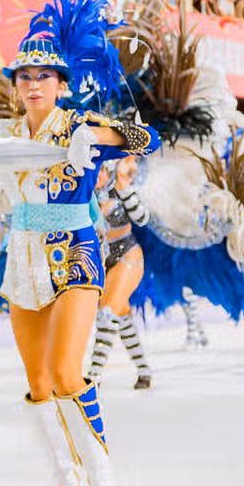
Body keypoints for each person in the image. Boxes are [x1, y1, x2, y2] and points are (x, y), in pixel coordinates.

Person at [0, 0, 157, 486]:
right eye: (25, 75)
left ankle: (105, 484)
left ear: (62, 85)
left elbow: (148, 138)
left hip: (76, 255)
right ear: (15, 85)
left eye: (45, 75)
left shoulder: (79, 126)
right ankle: (67, 481)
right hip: (22, 261)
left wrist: (105, 134)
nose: (34, 83)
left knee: (69, 374)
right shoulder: (5, 133)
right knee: (40, 384)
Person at [86, 156, 151, 390]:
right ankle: (143, 369)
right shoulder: (84, 193)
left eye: (101, 169)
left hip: (128, 255)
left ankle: (92, 378)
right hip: (102, 262)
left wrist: (124, 188)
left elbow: (143, 218)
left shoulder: (120, 186)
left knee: (106, 312)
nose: (97, 176)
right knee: (121, 316)